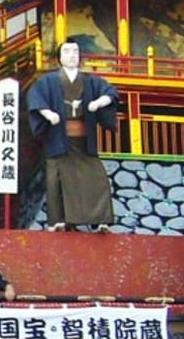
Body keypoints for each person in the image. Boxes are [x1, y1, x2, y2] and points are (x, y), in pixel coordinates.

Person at [25, 39, 119, 230]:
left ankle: (100, 220)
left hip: (84, 140)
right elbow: (36, 97)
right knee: (56, 179)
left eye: (75, 51)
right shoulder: (48, 81)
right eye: (67, 51)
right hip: (59, 139)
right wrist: (47, 113)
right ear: (59, 58)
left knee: (96, 177)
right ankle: (59, 221)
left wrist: (99, 102)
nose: (72, 55)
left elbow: (110, 92)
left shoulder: (90, 81)